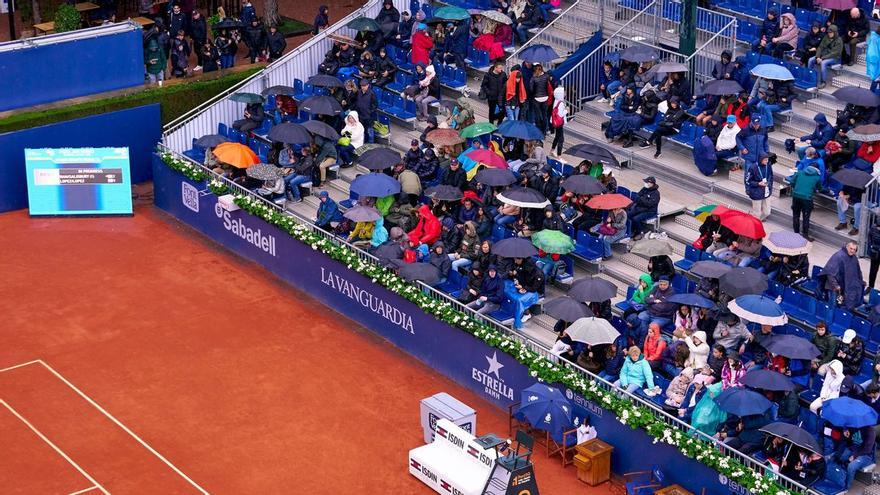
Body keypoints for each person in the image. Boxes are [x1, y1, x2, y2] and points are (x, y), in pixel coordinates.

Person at [630, 276, 677, 345]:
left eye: (665, 285)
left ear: (668, 284)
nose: (662, 286)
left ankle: (647, 344)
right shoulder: (656, 288)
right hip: (649, 312)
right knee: (639, 319)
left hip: (663, 317)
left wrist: (651, 302)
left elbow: (663, 308)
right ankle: (637, 341)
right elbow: (646, 299)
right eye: (661, 284)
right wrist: (655, 300)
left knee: (652, 327)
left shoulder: (671, 293)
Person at [821, 241, 865, 309]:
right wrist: (836, 286)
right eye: (851, 248)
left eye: (854, 249)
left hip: (845, 287)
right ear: (847, 247)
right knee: (832, 306)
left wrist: (860, 281)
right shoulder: (838, 256)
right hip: (834, 287)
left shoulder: (854, 258)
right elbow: (830, 273)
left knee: (841, 306)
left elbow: (858, 271)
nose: (852, 251)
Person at [789, 162, 822, 241]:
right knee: (806, 217)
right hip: (807, 199)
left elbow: (792, 182)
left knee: (796, 215)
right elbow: (819, 188)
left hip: (796, 196)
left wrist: (797, 188)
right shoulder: (817, 177)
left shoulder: (799, 172)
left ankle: (796, 233)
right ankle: (805, 235)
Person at [808, 25, 843, 89]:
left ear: (835, 32)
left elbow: (834, 53)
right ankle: (810, 76)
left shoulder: (839, 40)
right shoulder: (826, 37)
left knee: (823, 63)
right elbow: (820, 47)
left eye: (831, 33)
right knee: (811, 60)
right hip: (823, 56)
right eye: (828, 32)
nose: (829, 34)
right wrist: (817, 56)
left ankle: (823, 81)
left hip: (834, 58)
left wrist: (822, 58)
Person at [627, 176, 660, 241]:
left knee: (636, 219)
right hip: (640, 207)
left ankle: (639, 232)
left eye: (647, 182)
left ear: (651, 183)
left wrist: (641, 200)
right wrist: (641, 200)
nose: (645, 183)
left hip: (650, 211)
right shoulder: (644, 189)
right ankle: (632, 229)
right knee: (628, 215)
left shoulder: (656, 193)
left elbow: (649, 204)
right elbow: (637, 196)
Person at [745, 153, 774, 221]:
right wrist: (758, 183)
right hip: (756, 193)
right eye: (765, 160)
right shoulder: (753, 167)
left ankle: (758, 221)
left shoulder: (768, 165)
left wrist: (769, 184)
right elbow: (748, 181)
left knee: (767, 212)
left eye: (767, 160)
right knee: (756, 214)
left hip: (766, 191)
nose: (767, 161)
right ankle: (756, 224)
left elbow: (771, 176)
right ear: (761, 160)